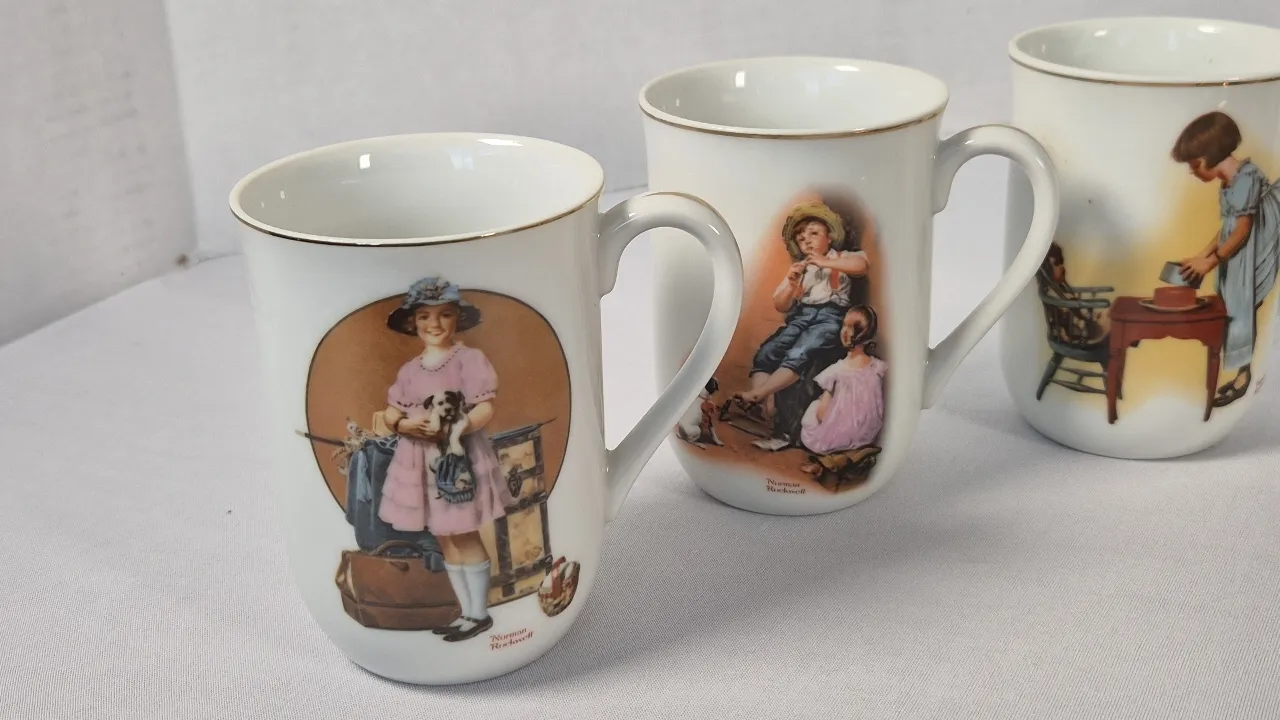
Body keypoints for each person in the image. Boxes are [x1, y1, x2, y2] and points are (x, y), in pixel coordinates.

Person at [378, 276, 515, 642]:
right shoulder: (410, 370)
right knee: (444, 538)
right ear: (413, 322)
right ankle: (466, 612)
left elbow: (484, 406)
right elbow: (391, 412)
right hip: (419, 462)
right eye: (424, 316)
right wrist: (405, 424)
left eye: (444, 315)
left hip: (456, 459)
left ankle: (479, 613)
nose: (434, 324)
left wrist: (457, 427)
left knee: (464, 533)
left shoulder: (469, 360)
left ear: (457, 319)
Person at [1173, 111, 1280, 406]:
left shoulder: (1246, 178)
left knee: (1241, 309)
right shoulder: (1229, 180)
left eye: (1194, 165)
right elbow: (1228, 228)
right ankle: (1239, 373)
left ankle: (1244, 378)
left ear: (1208, 158)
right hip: (1237, 254)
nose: (1193, 172)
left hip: (1253, 252)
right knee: (1233, 308)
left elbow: (1242, 231)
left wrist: (1211, 261)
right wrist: (1202, 255)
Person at [732, 201, 871, 423]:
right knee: (767, 352)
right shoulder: (801, 268)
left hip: (830, 317)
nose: (806, 240)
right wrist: (791, 283)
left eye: (814, 233)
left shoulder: (842, 257)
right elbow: (781, 305)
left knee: (801, 351)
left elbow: (861, 266)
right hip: (802, 316)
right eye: (801, 238)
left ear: (829, 237)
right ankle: (765, 404)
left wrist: (826, 262)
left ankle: (758, 394)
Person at [798, 305, 887, 459]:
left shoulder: (836, 371)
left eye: (850, 327)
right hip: (867, 436)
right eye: (844, 325)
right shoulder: (877, 367)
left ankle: (835, 452)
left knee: (815, 407)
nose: (844, 331)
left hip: (834, 439)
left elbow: (821, 415)